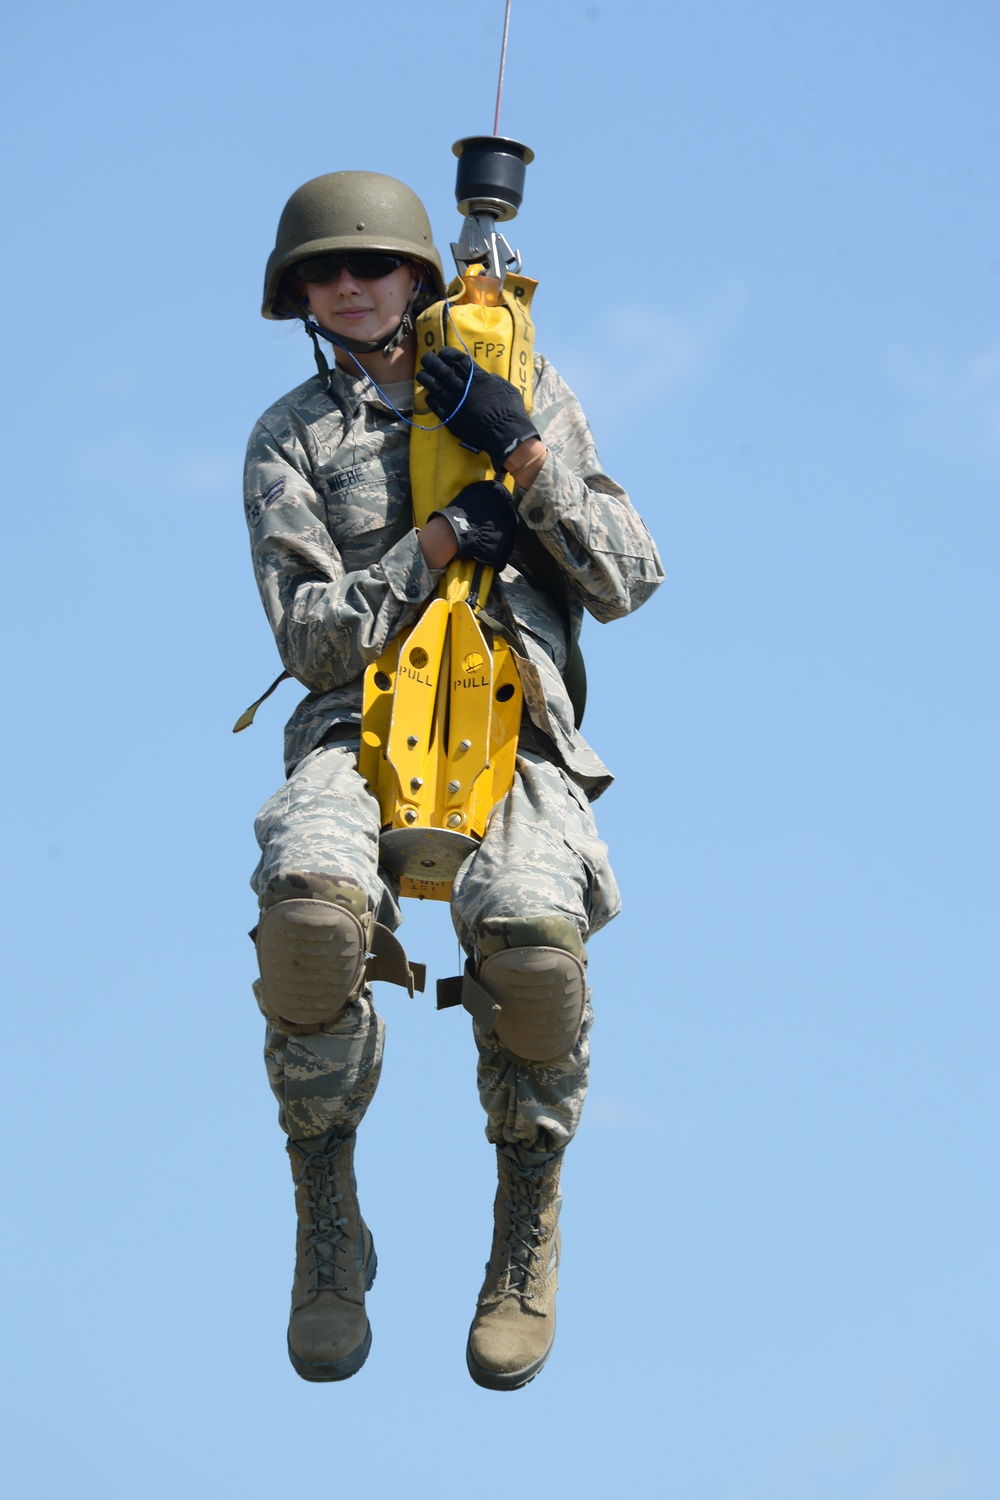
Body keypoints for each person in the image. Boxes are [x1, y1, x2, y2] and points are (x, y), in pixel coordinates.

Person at [244, 169, 663, 1390]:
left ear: (421, 276)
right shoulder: (293, 437)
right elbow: (310, 636)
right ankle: (327, 1211)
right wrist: (425, 551)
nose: (351, 285)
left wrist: (521, 455)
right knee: (312, 915)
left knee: (535, 949)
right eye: (325, 273)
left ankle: (524, 1218)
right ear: (302, 298)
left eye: (372, 266)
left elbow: (631, 577)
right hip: (357, 723)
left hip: (515, 725)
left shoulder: (518, 380)